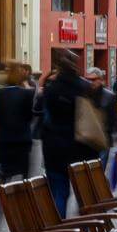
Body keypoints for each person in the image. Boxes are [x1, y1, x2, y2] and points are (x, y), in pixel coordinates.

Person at [40, 51, 94, 218]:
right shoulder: (83, 87)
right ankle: (86, 229)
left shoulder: (51, 89)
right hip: (79, 148)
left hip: (54, 149)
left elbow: (44, 117)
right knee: (83, 194)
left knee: (59, 193)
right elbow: (89, 120)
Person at [0, 61, 35, 232]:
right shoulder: (26, 94)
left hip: (3, 148)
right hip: (21, 147)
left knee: (1, 195)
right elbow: (29, 118)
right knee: (22, 194)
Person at [85, 66, 117, 174]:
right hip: (87, 139)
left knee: (99, 170)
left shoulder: (110, 97)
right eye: (88, 79)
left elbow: (114, 118)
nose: (91, 82)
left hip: (103, 139)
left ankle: (98, 189)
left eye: (94, 79)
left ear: (100, 80)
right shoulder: (83, 95)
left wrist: (114, 136)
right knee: (87, 171)